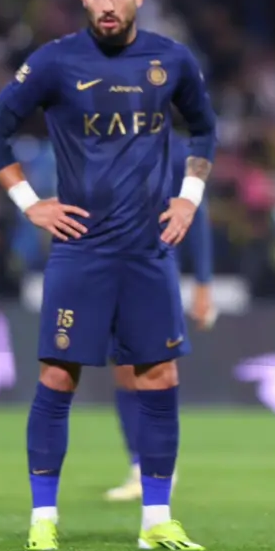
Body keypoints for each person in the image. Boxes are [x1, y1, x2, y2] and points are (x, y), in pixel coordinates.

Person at [0, 0, 217, 551]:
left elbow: (205, 128)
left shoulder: (171, 60)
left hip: (148, 253)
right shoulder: (55, 62)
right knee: (58, 377)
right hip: (81, 251)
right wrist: (31, 203)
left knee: (159, 376)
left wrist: (189, 197)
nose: (108, 6)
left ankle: (156, 520)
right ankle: (43, 520)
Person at [106, 132, 216, 502]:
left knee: (157, 368)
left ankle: (159, 466)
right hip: (109, 267)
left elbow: (196, 214)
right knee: (123, 369)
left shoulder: (174, 150)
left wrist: (203, 283)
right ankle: (139, 466)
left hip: (154, 268)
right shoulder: (101, 142)